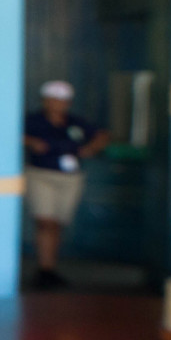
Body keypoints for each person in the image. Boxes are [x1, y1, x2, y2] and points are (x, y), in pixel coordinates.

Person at [24, 80, 107, 288]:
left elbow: (102, 135)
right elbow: (12, 134)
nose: (57, 104)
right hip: (41, 174)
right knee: (45, 221)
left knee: (57, 224)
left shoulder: (75, 122)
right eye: (52, 100)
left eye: (61, 100)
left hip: (70, 178)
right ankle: (44, 269)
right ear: (45, 101)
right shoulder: (33, 121)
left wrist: (91, 148)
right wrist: (31, 142)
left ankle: (49, 268)